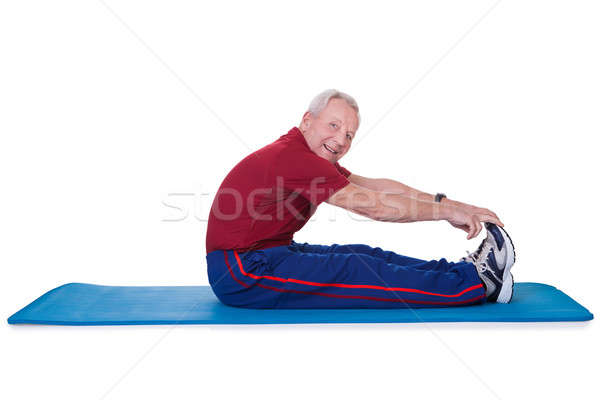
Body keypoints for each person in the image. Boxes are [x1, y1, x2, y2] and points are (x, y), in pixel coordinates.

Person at [205, 89, 515, 309]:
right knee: (355, 268)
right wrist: (446, 212)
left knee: (363, 253)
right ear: (307, 120)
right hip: (242, 271)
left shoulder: (307, 157)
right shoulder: (293, 158)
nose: (340, 140)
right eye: (334, 126)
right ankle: (478, 285)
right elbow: (376, 207)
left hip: (268, 254)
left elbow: (376, 188)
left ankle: (463, 273)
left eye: (350, 134)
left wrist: (450, 204)